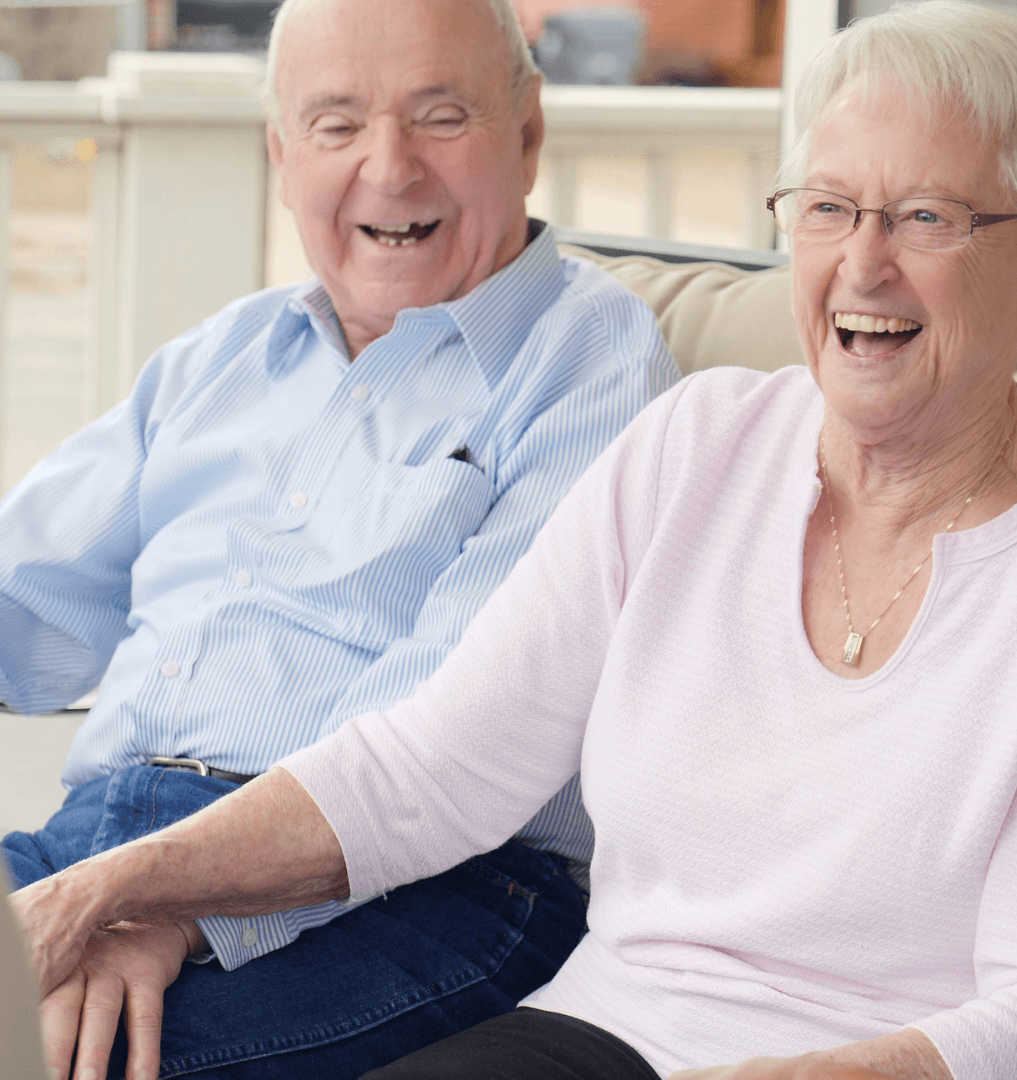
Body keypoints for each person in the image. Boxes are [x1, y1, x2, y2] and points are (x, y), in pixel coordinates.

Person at [16, 1, 1017, 1078]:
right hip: (597, 1029)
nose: (864, 265)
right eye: (828, 207)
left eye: (928, 217)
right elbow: (433, 766)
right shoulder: (702, 443)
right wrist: (99, 893)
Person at [0, 0, 677, 1074]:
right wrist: (106, 895)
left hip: (421, 893)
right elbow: (20, 601)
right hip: (103, 848)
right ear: (282, 156)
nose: (389, 168)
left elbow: (447, 750)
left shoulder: (588, 364)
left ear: (528, 134)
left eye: (440, 116)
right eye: (336, 125)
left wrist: (160, 907)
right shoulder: (223, 356)